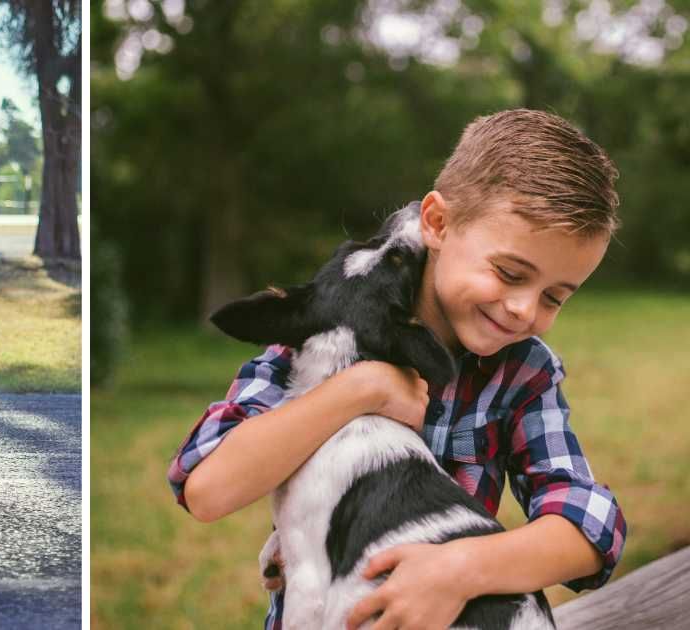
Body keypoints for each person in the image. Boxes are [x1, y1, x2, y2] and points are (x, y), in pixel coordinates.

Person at [168, 109, 627, 629]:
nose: (525, 309)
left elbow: (592, 527)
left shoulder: (521, 372)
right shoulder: (321, 339)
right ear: (437, 222)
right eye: (509, 273)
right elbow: (207, 490)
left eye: (553, 297)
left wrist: (460, 568)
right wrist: (362, 388)